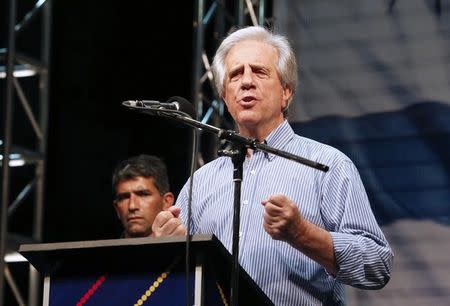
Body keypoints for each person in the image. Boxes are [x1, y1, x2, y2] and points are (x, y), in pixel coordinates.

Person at [153, 26, 393, 305]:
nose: (246, 82)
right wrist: (167, 247)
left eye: (259, 71)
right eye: (235, 74)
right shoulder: (202, 181)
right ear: (225, 96)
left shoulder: (328, 166)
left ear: (286, 92)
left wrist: (302, 234)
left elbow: (377, 266)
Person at [112, 154, 185, 238]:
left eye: (143, 194)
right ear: (117, 208)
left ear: (166, 202)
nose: (132, 206)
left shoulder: (186, 249)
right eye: (124, 197)